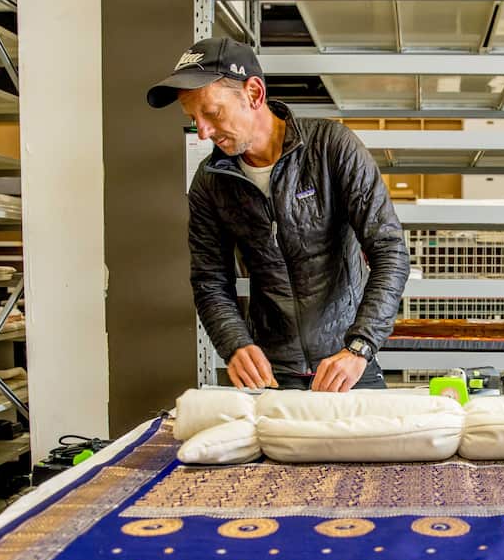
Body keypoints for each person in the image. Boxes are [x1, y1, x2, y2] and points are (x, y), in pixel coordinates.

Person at [147, 37, 409, 392]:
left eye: (211, 112)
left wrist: (361, 345)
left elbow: (389, 250)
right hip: (270, 374)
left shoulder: (332, 148)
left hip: (348, 364)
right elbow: (210, 281)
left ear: (254, 93)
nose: (204, 131)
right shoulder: (210, 183)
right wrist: (234, 344)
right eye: (194, 119)